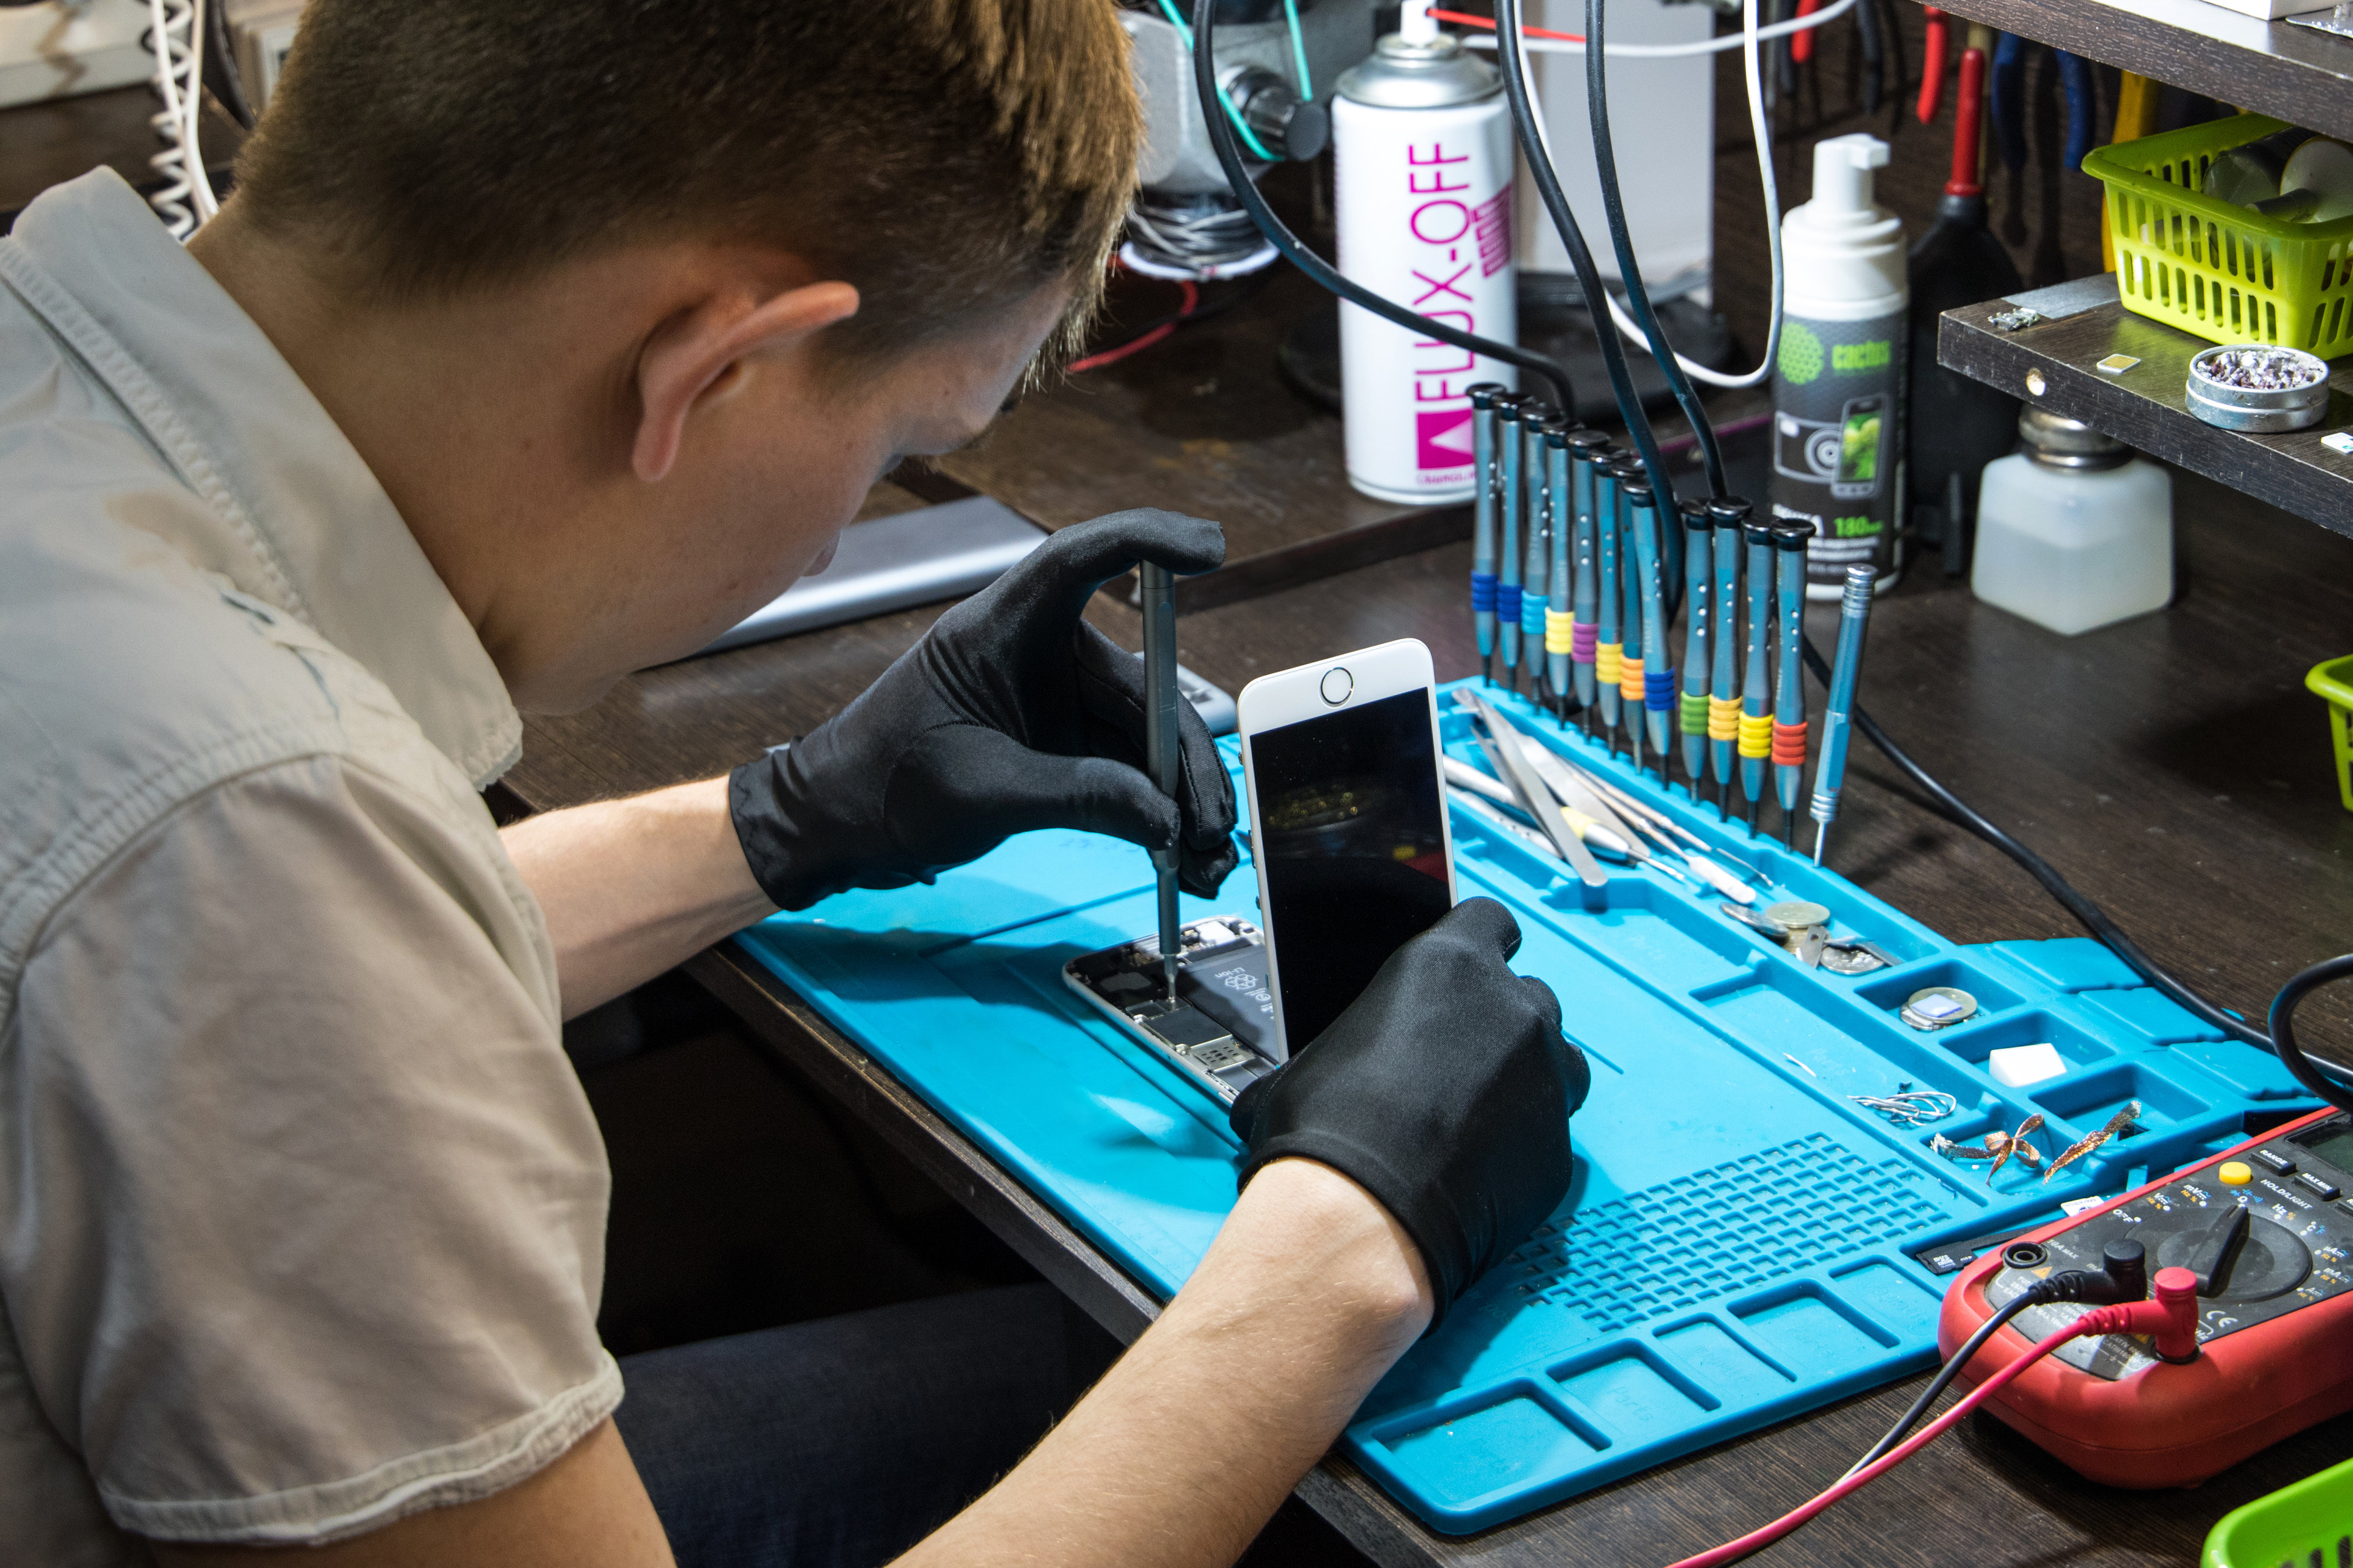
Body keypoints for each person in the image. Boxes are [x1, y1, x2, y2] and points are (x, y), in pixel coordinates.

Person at [0, 2, 1590, 1565]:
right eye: (906, 438)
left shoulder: (59, 414)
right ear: (718, 366)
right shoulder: (253, 826)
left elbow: (276, 994)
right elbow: (272, 936)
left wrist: (792, 814)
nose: (841, 534)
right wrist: (1350, 1240)